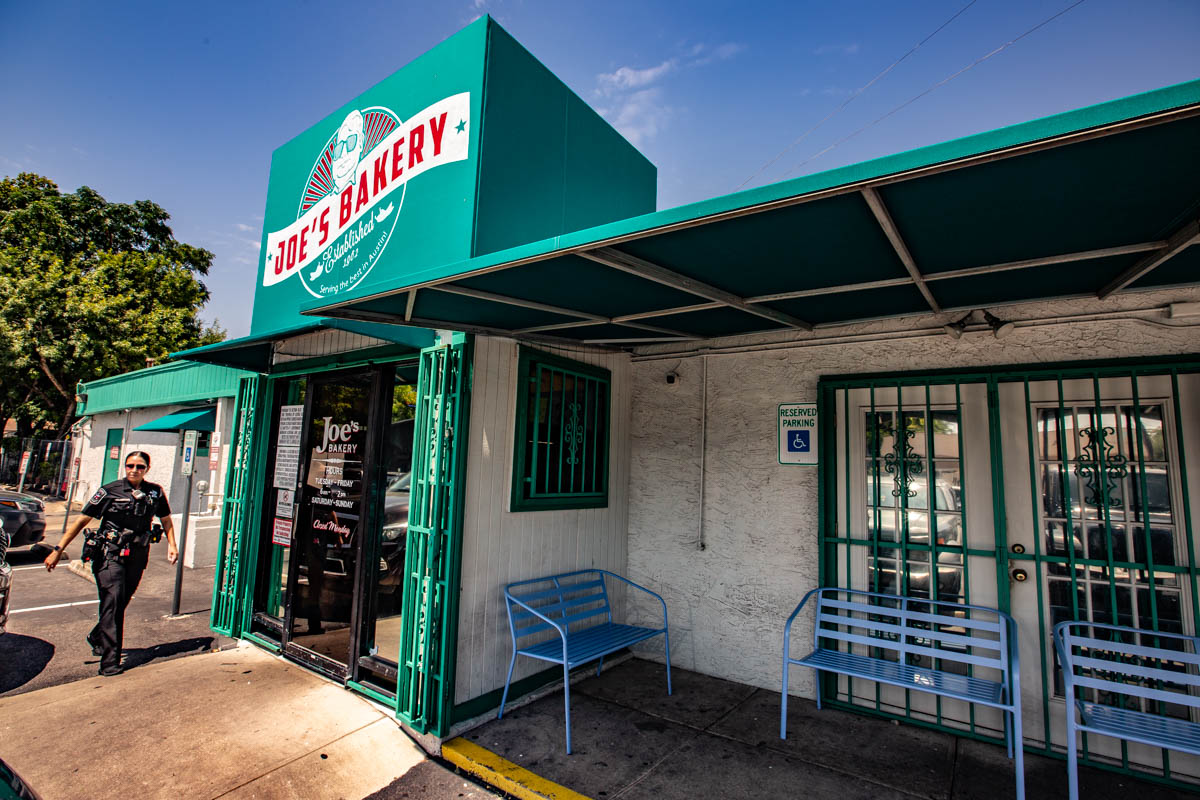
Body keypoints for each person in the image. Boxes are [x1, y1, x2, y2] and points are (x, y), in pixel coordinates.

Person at [44, 451, 177, 675]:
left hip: (138, 554)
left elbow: (165, 519)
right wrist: (59, 549)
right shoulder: (110, 490)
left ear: (147, 469)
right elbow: (82, 519)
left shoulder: (154, 491)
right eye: (130, 465)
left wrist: (172, 545)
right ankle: (110, 662)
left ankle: (97, 636)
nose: (134, 470)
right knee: (113, 601)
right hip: (110, 554)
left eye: (140, 466)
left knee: (122, 600)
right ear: (125, 467)